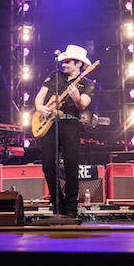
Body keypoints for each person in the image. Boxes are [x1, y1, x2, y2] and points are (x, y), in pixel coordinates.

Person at [34, 45, 95, 218]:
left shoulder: (88, 84)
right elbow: (41, 95)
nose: (64, 64)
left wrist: (76, 97)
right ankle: (57, 203)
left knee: (71, 165)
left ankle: (70, 207)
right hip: (50, 124)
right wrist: (39, 107)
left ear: (79, 64)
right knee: (47, 164)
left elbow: (82, 104)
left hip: (70, 124)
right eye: (64, 61)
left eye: (68, 61)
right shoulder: (55, 76)